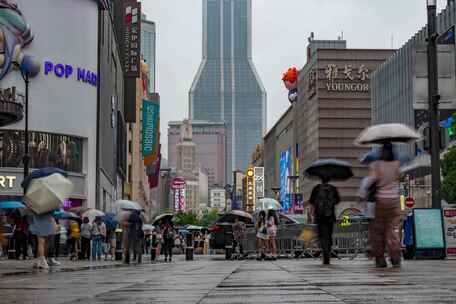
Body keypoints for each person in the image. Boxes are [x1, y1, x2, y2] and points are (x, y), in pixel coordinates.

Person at [368, 142, 402, 268]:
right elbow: (399, 177)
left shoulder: (376, 165)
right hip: (394, 200)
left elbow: (372, 180)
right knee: (392, 229)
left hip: (380, 200)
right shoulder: (396, 164)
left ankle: (380, 258)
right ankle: (395, 256)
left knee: (378, 231)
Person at [309, 176, 341, 265]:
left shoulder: (316, 188)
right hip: (330, 216)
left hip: (319, 216)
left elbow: (311, 201)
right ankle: (328, 250)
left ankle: (325, 252)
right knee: (329, 235)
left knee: (321, 236)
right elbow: (338, 200)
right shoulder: (333, 188)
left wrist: (313, 211)